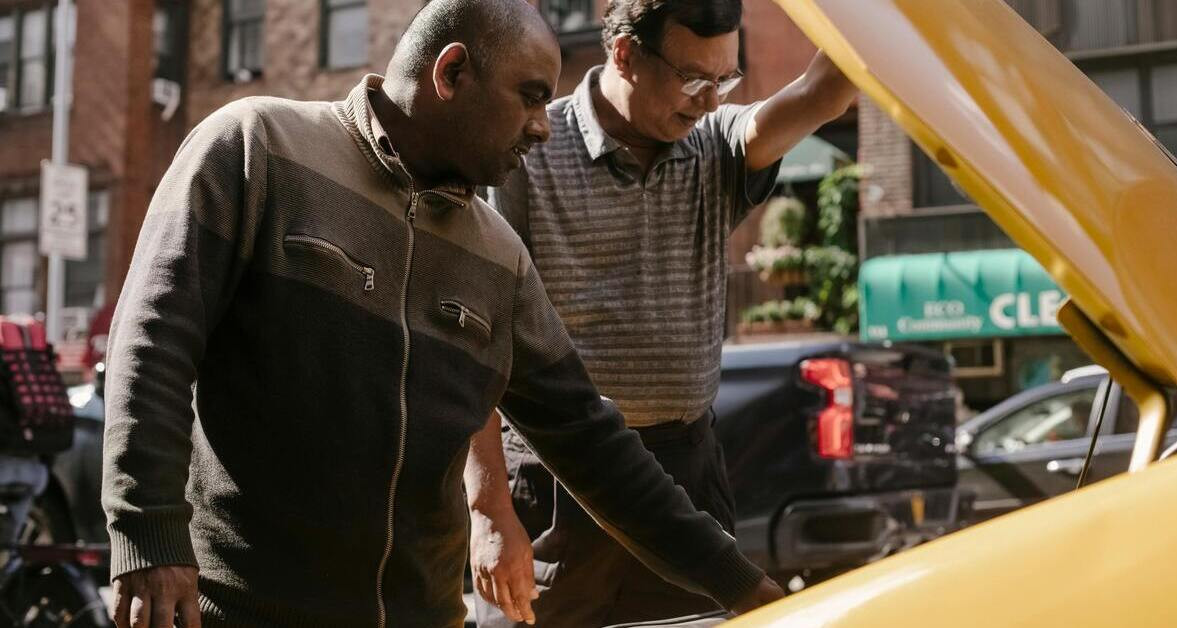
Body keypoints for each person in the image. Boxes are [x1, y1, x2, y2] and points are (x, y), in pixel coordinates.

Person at [100, 0, 783, 626]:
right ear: (452, 72)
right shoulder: (257, 148)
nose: (543, 128)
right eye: (529, 97)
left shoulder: (498, 257)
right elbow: (153, 344)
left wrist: (745, 590)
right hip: (242, 610)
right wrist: (149, 535)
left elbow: (591, 442)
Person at [465, 0, 857, 625]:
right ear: (625, 53)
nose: (709, 98)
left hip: (687, 476)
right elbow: (475, 338)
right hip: (556, 478)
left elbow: (827, 89)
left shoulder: (719, 145)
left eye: (724, 79)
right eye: (694, 77)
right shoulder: (529, 150)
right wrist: (488, 509)